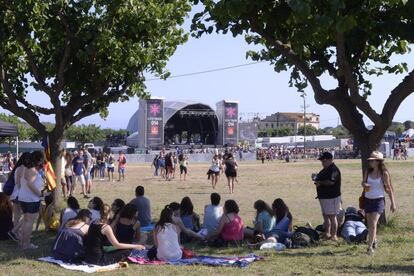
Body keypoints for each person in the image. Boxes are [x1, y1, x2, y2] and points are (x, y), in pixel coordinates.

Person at [362, 151, 396, 255]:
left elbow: (389, 188)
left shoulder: (384, 173)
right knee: (370, 223)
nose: (370, 162)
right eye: (370, 160)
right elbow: (363, 182)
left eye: (373, 160)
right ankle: (374, 240)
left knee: (373, 223)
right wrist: (364, 184)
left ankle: (369, 247)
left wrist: (393, 203)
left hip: (379, 200)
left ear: (378, 162)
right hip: (368, 199)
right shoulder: (367, 171)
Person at [18, 151, 45, 249]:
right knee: (29, 222)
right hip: (31, 199)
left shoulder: (24, 168)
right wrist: (40, 194)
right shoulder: (32, 170)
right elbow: (30, 184)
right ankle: (26, 244)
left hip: (23, 197)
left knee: (26, 221)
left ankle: (23, 242)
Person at [313, 151, 341, 241]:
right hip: (324, 196)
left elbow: (331, 182)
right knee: (325, 215)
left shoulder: (334, 170)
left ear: (330, 160)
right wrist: (316, 178)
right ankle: (327, 233)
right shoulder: (325, 169)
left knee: (332, 216)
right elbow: (320, 178)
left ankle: (334, 236)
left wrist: (320, 182)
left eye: (324, 161)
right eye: (321, 161)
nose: (322, 163)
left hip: (331, 196)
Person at [8, 152, 31, 242]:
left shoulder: (17, 168)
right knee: (27, 215)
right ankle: (16, 233)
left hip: (15, 194)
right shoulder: (24, 168)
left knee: (17, 216)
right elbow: (23, 183)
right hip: (21, 194)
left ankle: (16, 234)